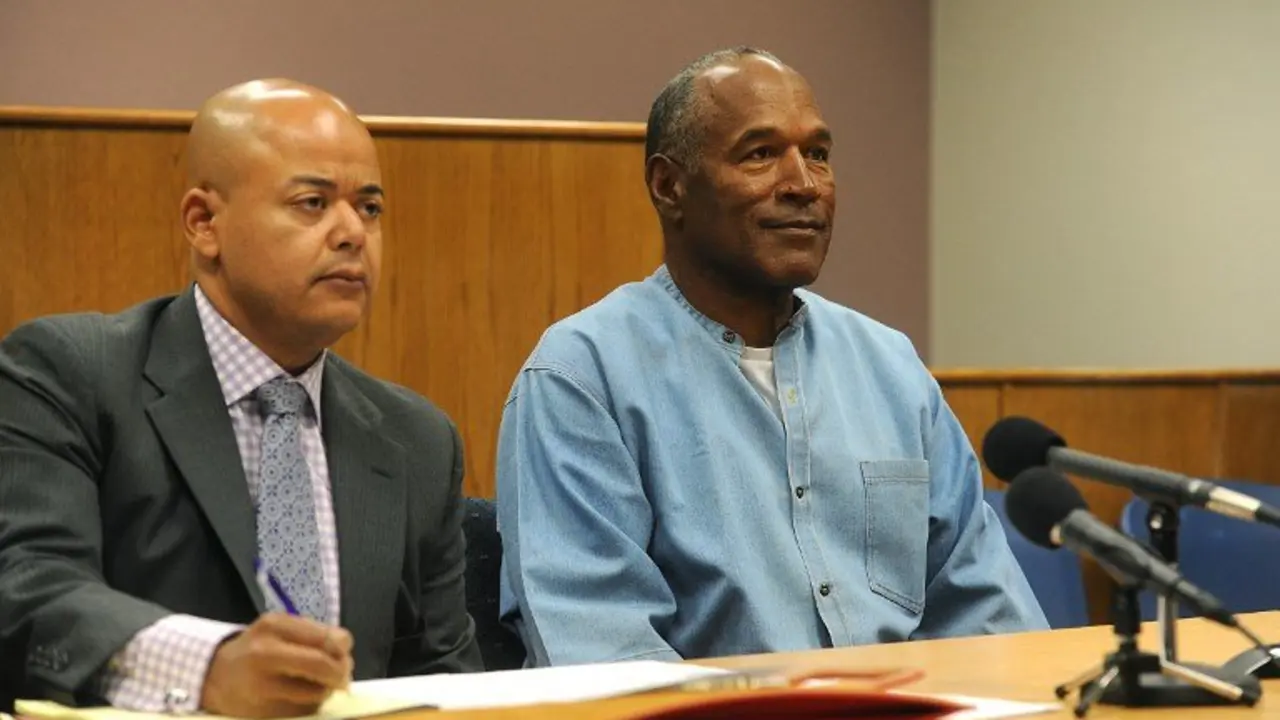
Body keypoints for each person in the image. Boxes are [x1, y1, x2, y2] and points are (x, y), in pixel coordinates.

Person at [496, 47, 1048, 667]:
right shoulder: (580, 376)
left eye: (818, 154)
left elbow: (989, 617)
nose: (804, 185)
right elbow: (602, 653)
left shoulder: (890, 368)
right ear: (668, 185)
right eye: (761, 154)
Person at [0, 79, 481, 716]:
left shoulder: (417, 438)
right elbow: (29, 587)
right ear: (204, 223)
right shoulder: (69, 374)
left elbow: (444, 679)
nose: (352, 233)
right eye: (313, 202)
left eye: (369, 208)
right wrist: (210, 668)